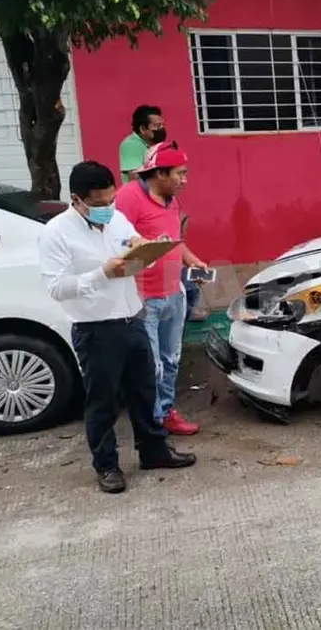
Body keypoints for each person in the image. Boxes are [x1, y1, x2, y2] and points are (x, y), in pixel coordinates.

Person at [38, 161, 196, 493]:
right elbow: (56, 288)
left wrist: (148, 250)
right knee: (103, 401)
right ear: (77, 200)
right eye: (98, 204)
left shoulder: (116, 218)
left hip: (132, 316)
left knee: (143, 391)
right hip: (95, 328)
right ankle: (107, 465)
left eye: (110, 200)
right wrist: (101, 274)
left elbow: (133, 248)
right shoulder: (56, 232)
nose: (107, 208)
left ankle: (153, 452)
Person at [115, 141, 207, 436]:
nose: (185, 180)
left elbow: (175, 241)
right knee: (150, 366)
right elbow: (114, 242)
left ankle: (166, 412)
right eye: (180, 173)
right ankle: (149, 424)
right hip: (143, 299)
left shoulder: (171, 199)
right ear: (159, 173)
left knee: (171, 360)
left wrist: (194, 262)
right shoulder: (127, 198)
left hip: (173, 293)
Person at [119, 105, 166, 184]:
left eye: (162, 125)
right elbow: (135, 179)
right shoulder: (131, 145)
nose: (161, 128)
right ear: (143, 129)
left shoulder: (153, 145)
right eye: (157, 126)